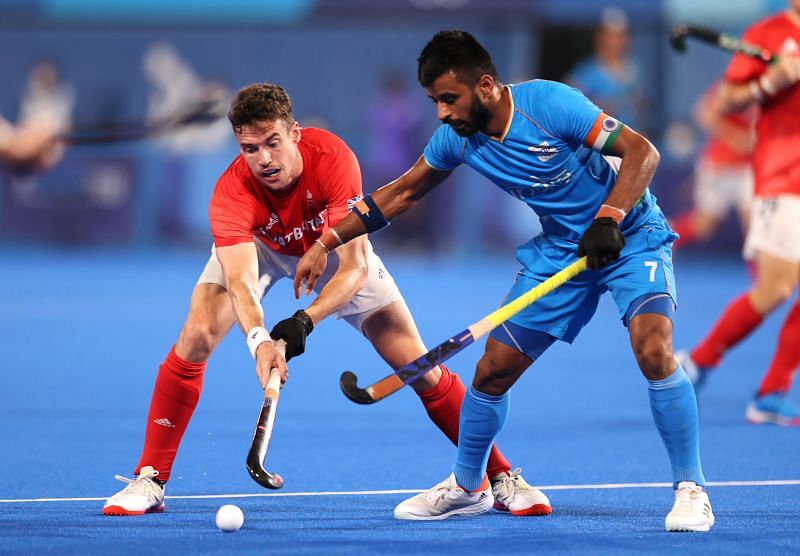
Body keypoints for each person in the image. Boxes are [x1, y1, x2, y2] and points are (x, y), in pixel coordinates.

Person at [294, 30, 713, 532]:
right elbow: (402, 193)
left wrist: (608, 217)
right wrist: (326, 242)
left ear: (486, 86)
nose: (442, 113)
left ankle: (691, 489)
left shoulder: (550, 103)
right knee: (492, 370)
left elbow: (641, 152)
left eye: (449, 98)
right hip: (562, 251)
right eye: (434, 101)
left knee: (653, 348)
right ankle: (468, 487)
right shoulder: (457, 139)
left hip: (630, 233)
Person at [101, 82, 551, 517]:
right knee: (196, 332)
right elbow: (240, 282)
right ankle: (151, 478)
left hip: (330, 247)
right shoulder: (231, 192)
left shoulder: (333, 158)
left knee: (418, 365)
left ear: (294, 132)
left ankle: (501, 476)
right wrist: (260, 340)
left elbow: (353, 269)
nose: (264, 159)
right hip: (259, 247)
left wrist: (304, 321)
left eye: (273, 142)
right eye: (250, 149)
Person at [677, 1, 800, 426]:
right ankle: (698, 361)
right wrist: (771, 83)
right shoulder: (767, 34)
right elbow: (725, 100)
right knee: (775, 289)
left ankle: (772, 392)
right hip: (784, 178)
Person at [669, 81, 755, 250]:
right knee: (704, 226)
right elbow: (703, 112)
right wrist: (733, 136)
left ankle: (762, 275)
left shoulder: (773, 87)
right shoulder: (735, 84)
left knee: (754, 225)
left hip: (748, 167)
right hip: (719, 166)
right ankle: (661, 238)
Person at [565, 6, 648, 133]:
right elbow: (567, 105)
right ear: (601, 37)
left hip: (629, 140)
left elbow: (640, 109)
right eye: (613, 36)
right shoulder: (585, 72)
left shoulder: (635, 68)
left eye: (622, 35)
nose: (619, 41)